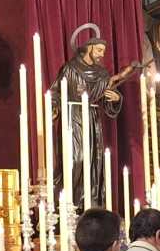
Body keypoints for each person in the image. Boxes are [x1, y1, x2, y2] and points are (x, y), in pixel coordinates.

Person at [50, 24, 126, 210]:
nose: (102, 54)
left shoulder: (102, 73)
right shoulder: (70, 68)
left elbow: (107, 97)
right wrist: (54, 106)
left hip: (92, 118)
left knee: (93, 162)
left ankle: (88, 206)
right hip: (72, 117)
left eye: (103, 51)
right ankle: (67, 205)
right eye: (99, 50)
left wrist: (116, 98)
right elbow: (56, 91)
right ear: (89, 47)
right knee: (75, 160)